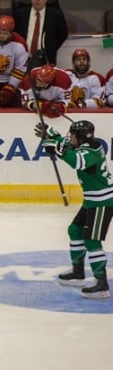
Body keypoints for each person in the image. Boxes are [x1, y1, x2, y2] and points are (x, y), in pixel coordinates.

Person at [36, 120, 111, 299]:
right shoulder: (89, 145)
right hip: (92, 200)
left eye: (73, 135)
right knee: (75, 230)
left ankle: (101, 284)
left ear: (81, 137)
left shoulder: (91, 151)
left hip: (102, 202)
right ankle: (78, 273)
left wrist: (57, 149)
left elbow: (77, 161)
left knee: (92, 241)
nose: (70, 138)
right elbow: (69, 147)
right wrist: (53, 135)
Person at [13, 0, 68, 65]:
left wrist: (51, 47)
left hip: (46, 61)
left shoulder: (56, 15)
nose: (37, 0)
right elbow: (14, 34)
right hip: (23, 59)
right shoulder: (20, 14)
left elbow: (63, 34)